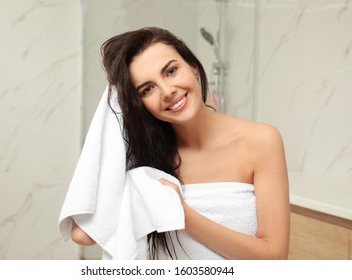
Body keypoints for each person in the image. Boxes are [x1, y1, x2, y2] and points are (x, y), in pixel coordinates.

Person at [71, 27, 290, 259]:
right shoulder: (143, 161)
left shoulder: (261, 141)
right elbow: (83, 235)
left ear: (193, 67)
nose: (167, 91)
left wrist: (182, 215)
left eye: (171, 71)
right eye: (148, 89)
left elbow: (274, 257)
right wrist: (115, 103)